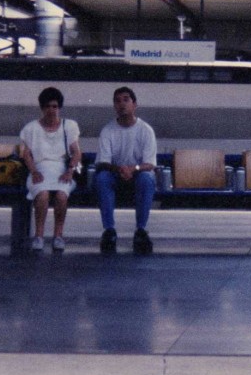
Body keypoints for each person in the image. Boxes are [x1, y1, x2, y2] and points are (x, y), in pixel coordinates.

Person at [94, 86, 158, 255]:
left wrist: (133, 169)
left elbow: (149, 164)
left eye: (126, 100)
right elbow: (103, 162)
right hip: (115, 176)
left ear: (134, 104)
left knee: (147, 178)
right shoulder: (108, 130)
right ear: (114, 106)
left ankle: (141, 231)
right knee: (102, 178)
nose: (122, 104)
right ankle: (109, 231)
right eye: (117, 101)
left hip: (137, 176)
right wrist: (120, 169)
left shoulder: (145, 130)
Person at [19, 87, 81, 252]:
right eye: (47, 106)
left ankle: (58, 236)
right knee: (43, 194)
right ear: (42, 108)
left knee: (61, 196)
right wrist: (34, 172)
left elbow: (76, 152)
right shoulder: (31, 128)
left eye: (54, 106)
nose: (51, 110)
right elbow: (26, 154)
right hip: (39, 170)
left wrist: (70, 171)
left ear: (59, 107)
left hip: (62, 170)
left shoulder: (69, 126)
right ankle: (39, 236)